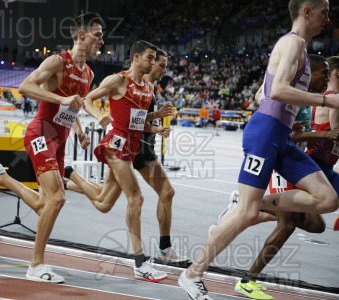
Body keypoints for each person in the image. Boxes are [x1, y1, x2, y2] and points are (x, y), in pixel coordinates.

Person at [179, 1, 339, 299]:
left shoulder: (299, 49)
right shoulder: (291, 43)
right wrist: (327, 101)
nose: (328, 19)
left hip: (280, 135)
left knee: (328, 199)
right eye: (323, 12)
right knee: (246, 214)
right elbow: (277, 90)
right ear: (307, 12)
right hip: (265, 134)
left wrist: (286, 104)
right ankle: (192, 273)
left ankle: (254, 203)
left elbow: (262, 92)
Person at [0, 12, 103, 284]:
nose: (101, 40)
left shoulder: (88, 73)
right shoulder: (57, 61)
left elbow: (72, 104)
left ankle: (2, 177)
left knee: (45, 204)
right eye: (97, 35)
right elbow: (25, 86)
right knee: (57, 199)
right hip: (40, 133)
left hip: (61, 140)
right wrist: (60, 98)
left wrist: (78, 130)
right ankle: (35, 265)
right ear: (81, 35)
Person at [212, 54, 333, 300]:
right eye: (324, 73)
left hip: (292, 162)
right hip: (279, 162)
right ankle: (248, 280)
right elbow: (276, 119)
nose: (326, 80)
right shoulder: (288, 93)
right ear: (311, 73)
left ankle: (249, 208)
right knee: (287, 224)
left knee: (316, 225)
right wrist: (325, 136)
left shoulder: (303, 99)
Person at [64, 40, 172, 282]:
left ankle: (68, 174)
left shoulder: (148, 89)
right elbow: (87, 99)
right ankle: (140, 262)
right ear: (135, 58)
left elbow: (138, 122)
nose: (153, 63)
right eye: (150, 58)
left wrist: (156, 129)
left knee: (103, 203)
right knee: (136, 197)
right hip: (115, 146)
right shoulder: (118, 80)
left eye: (155, 59)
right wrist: (99, 115)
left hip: (131, 148)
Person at [131, 48, 188, 264]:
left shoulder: (151, 88)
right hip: (130, 149)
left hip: (145, 150)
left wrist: (156, 126)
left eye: (165, 65)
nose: (164, 69)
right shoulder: (137, 85)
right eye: (161, 64)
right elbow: (133, 119)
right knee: (103, 200)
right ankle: (69, 178)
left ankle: (165, 249)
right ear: (150, 63)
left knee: (167, 192)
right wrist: (156, 123)